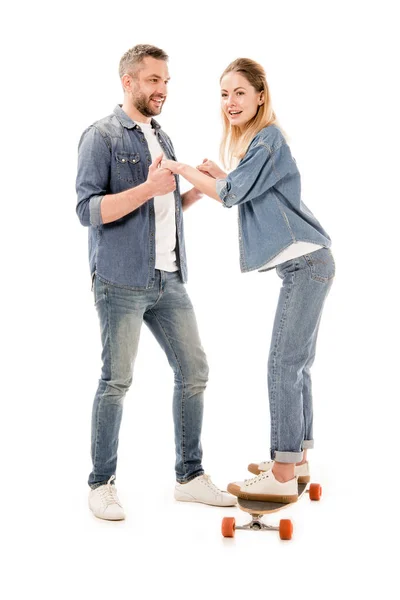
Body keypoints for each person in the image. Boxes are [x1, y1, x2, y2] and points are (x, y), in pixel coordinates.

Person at [161, 57, 335, 504]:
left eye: (239, 92)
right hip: (308, 263)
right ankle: (295, 461)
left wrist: (182, 170)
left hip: (305, 264)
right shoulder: (260, 142)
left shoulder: (268, 138)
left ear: (261, 95)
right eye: (224, 94)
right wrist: (218, 175)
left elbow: (232, 194)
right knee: (296, 365)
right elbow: (240, 187)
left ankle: (280, 469)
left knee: (283, 365)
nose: (231, 102)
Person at [76, 44, 236, 520]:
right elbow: (88, 212)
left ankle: (189, 476)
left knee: (195, 371)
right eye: (152, 81)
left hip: (169, 279)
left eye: (165, 81)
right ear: (128, 82)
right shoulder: (100, 136)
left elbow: (160, 210)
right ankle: (100, 483)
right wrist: (147, 187)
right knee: (117, 380)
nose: (162, 89)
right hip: (120, 281)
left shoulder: (162, 138)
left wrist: (195, 193)